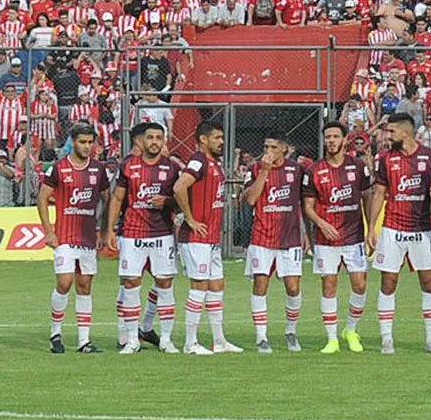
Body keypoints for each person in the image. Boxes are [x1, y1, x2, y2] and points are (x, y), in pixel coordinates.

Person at [369, 113, 431, 356]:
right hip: (393, 228)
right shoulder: (385, 159)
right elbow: (379, 193)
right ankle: (386, 339)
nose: (387, 136)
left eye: (391, 131)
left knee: (429, 283)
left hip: (423, 228)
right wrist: (371, 227)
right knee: (388, 282)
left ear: (406, 132)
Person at [104, 122, 181, 354]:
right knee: (130, 284)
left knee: (165, 283)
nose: (154, 142)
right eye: (150, 137)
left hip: (162, 234)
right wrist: (109, 230)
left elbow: (182, 199)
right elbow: (118, 199)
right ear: (142, 141)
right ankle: (131, 340)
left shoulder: (172, 168)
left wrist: (167, 201)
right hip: (132, 233)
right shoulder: (128, 166)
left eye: (159, 137)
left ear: (164, 141)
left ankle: (166, 340)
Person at [38, 124, 110, 354]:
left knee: (85, 285)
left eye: (90, 142)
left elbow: (107, 199)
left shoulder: (98, 169)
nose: (87, 146)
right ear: (73, 142)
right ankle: (55, 334)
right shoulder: (59, 168)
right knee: (64, 283)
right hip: (64, 236)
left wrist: (104, 230)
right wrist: (49, 231)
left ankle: (83, 341)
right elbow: (42, 198)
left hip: (87, 237)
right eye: (82, 142)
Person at [302, 121, 373, 355]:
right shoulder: (314, 170)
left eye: (335, 136)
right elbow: (307, 206)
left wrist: (371, 228)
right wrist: (321, 223)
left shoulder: (358, 166)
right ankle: (331, 338)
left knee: (360, 284)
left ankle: (350, 330)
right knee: (329, 284)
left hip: (354, 235)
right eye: (328, 137)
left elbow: (367, 195)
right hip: (326, 239)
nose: (331, 140)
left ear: (344, 140)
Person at [171, 122, 239, 354]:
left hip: (211, 238)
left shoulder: (215, 164)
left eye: (222, 137)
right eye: (217, 137)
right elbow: (179, 187)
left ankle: (219, 341)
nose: (221, 142)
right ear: (203, 139)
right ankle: (190, 343)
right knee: (199, 286)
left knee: (217, 286)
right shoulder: (198, 161)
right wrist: (189, 219)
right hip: (196, 238)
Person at [242, 131, 307, 353]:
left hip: (290, 238)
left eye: (273, 148)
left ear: (284, 149)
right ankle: (261, 337)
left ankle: (291, 331)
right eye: (266, 147)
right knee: (260, 285)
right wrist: (264, 172)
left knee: (293, 287)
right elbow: (251, 199)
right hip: (262, 238)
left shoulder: (297, 170)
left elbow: (305, 202)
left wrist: (306, 233)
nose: (268, 152)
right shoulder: (255, 169)